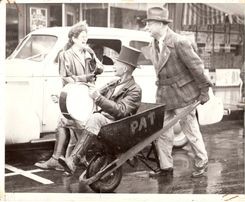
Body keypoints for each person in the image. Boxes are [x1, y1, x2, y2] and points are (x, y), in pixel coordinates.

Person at [142, 7, 213, 178]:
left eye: (149, 24)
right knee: (163, 133)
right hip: (164, 96)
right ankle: (166, 167)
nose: (147, 28)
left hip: (184, 95)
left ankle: (202, 162)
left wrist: (204, 90)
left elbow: (197, 68)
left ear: (160, 24)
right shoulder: (152, 45)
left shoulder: (180, 42)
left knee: (191, 131)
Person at [58, 45, 142, 175]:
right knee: (68, 119)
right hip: (106, 123)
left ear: (125, 68)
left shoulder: (135, 90)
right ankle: (82, 157)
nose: (114, 65)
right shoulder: (115, 82)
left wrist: (98, 98)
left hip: (118, 127)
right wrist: (68, 96)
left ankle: (74, 160)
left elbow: (121, 111)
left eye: (117, 63)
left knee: (95, 118)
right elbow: (92, 93)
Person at [35, 21, 103, 171]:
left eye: (86, 36)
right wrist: (83, 80)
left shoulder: (88, 53)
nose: (85, 39)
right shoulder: (65, 55)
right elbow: (65, 77)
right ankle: (67, 159)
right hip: (73, 94)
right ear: (73, 38)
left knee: (76, 125)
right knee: (67, 123)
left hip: (87, 95)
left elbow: (100, 69)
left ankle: (73, 159)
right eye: (82, 37)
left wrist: (94, 61)